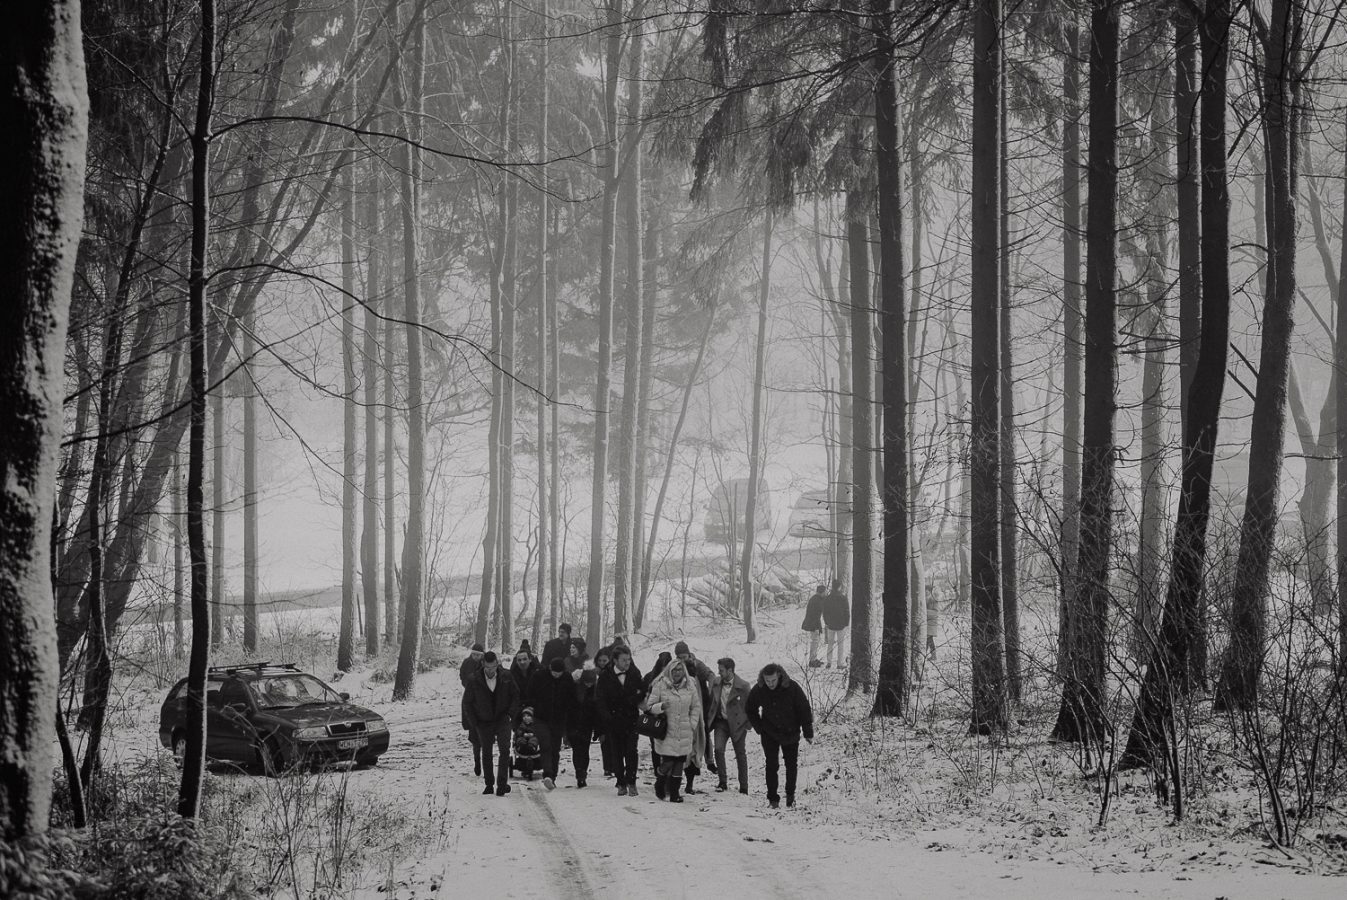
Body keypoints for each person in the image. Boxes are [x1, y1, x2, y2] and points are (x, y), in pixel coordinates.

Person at [746, 662, 814, 809]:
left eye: (773, 680)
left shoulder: (791, 687)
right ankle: (773, 798)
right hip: (769, 732)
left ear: (779, 676)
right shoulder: (760, 688)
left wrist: (808, 731)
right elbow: (750, 708)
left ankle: (790, 796)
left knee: (791, 765)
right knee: (771, 765)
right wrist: (759, 728)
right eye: (767, 680)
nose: (770, 684)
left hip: (790, 731)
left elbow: (804, 709)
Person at [642, 658, 704, 803]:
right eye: (674, 670)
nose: (677, 673)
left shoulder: (690, 686)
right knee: (669, 761)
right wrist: (661, 706)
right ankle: (660, 782)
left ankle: (675, 794)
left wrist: (692, 723)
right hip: (666, 729)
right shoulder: (660, 684)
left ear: (684, 671)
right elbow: (649, 706)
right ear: (669, 670)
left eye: (680, 670)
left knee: (679, 762)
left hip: (684, 730)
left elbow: (696, 706)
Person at [464, 651, 521, 796]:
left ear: (497, 664)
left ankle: (502, 784)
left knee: (505, 751)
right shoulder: (474, 679)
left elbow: (516, 696)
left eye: (493, 667)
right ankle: (489, 784)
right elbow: (467, 703)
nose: (491, 671)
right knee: (487, 753)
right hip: (483, 722)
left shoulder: (506, 676)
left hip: (503, 719)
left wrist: (510, 714)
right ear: (483, 665)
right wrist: (474, 722)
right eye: (488, 668)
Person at [596, 646, 645, 796]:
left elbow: (642, 691)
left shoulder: (635, 673)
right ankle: (620, 782)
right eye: (624, 660)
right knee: (616, 752)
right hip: (613, 719)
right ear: (615, 660)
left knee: (631, 751)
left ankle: (631, 781)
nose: (627, 662)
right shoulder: (606, 676)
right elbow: (600, 699)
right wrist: (606, 717)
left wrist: (633, 699)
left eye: (629, 659)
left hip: (631, 719)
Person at [673, 641, 715, 793]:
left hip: (698, 710)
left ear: (688, 654)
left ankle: (692, 780)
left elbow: (711, 675)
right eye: (679, 657)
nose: (682, 660)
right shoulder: (674, 667)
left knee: (697, 744)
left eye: (684, 656)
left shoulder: (698, 665)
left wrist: (710, 689)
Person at [707, 657, 751, 794]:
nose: (719, 673)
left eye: (721, 670)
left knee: (740, 754)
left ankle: (744, 786)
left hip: (737, 724)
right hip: (721, 722)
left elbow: (749, 706)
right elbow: (711, 700)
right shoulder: (716, 683)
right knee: (719, 750)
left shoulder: (743, 686)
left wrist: (747, 724)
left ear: (730, 670)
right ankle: (722, 781)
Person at [530, 656, 574, 790]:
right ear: (550, 669)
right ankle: (547, 774)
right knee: (546, 745)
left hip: (558, 719)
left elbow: (571, 698)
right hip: (541, 717)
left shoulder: (567, 678)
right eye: (554, 672)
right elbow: (530, 693)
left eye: (559, 673)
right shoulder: (539, 676)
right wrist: (535, 707)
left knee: (555, 748)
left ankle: (552, 777)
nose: (556, 675)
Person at [642, 651, 672, 796]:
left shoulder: (674, 677)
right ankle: (660, 773)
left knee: (663, 747)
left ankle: (662, 774)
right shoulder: (651, 678)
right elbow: (644, 696)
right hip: (656, 716)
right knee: (657, 747)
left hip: (665, 717)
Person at [568, 654, 599, 788]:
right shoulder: (574, 690)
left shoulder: (596, 692)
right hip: (573, 723)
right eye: (587, 683)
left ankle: (583, 774)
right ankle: (578, 772)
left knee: (584, 749)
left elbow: (597, 711)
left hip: (587, 724)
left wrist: (597, 728)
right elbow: (568, 707)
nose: (588, 685)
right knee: (576, 749)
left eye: (591, 683)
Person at [459, 643, 485, 776]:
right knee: (475, 739)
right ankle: (477, 762)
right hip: (471, 701)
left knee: (485, 738)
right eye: (474, 654)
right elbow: (462, 677)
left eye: (478, 655)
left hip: (485, 703)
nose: (476, 657)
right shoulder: (466, 663)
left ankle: (485, 763)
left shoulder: (486, 663)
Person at [592, 648, 616, 778]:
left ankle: (613, 765)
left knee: (613, 739)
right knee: (604, 740)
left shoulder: (613, 673)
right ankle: (607, 766)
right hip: (598, 711)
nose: (602, 663)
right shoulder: (593, 673)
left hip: (611, 709)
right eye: (600, 661)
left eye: (605, 660)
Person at [822, 578, 851, 668]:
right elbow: (847, 612)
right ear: (839, 587)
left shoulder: (827, 598)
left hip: (830, 624)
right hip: (841, 624)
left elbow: (825, 612)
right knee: (840, 645)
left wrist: (826, 622)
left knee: (830, 644)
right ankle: (839, 663)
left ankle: (829, 662)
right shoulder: (843, 598)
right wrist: (847, 623)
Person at [512, 707, 542, 780]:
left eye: (528, 716)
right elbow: (518, 732)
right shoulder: (521, 725)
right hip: (524, 739)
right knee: (520, 739)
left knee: (534, 739)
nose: (526, 718)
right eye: (524, 716)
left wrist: (533, 734)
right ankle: (522, 746)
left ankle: (532, 747)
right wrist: (522, 734)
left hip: (532, 739)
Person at [802, 584, 827, 667]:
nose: (826, 593)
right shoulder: (817, 600)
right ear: (822, 592)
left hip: (813, 622)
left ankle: (814, 659)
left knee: (815, 641)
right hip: (813, 623)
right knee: (815, 641)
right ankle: (812, 661)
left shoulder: (815, 599)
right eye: (825, 592)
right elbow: (819, 612)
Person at [509, 647, 537, 712]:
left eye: (525, 659)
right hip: (518, 706)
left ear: (530, 660)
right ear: (516, 662)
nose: (522, 662)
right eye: (519, 660)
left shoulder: (537, 673)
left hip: (534, 706)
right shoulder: (511, 675)